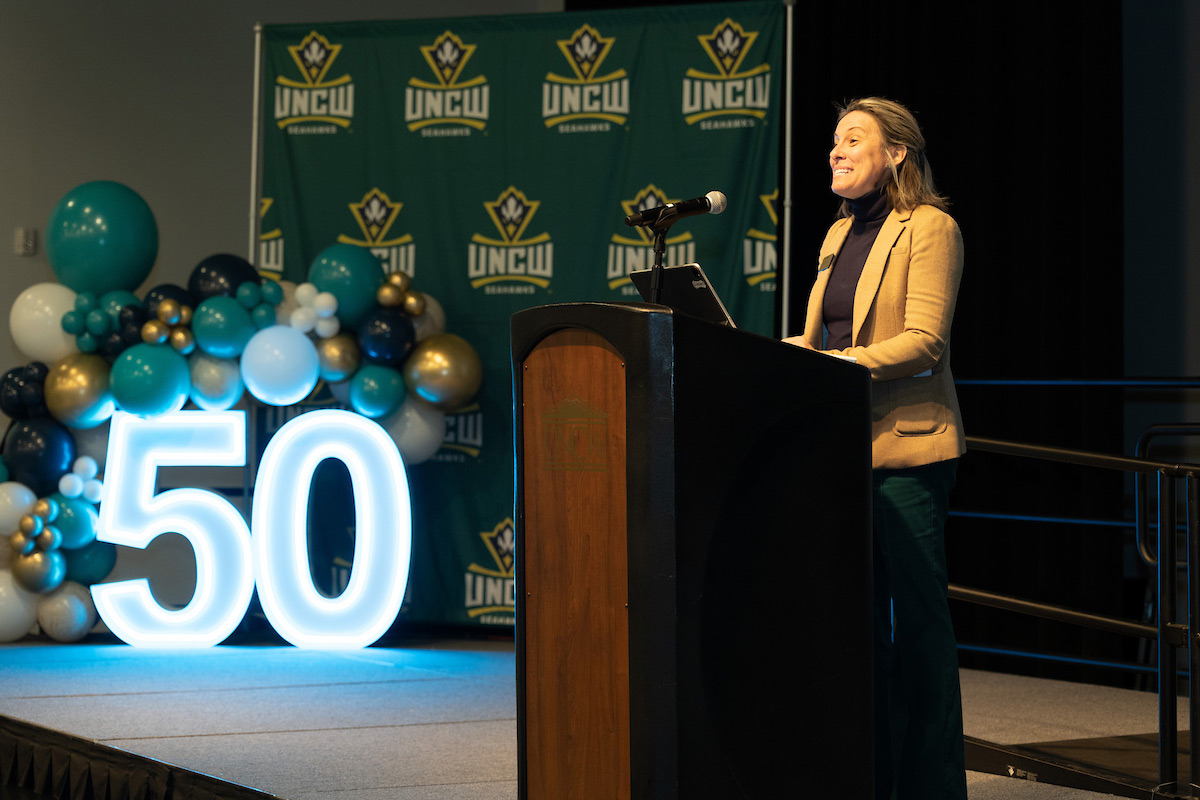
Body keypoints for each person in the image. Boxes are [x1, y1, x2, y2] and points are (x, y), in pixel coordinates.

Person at [784, 97, 967, 800]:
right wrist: (772, 354)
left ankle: (935, 790)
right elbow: (825, 341)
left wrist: (833, 363)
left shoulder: (931, 228)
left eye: (853, 138)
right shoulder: (836, 237)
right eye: (833, 141)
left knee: (920, 634)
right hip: (839, 458)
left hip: (909, 454)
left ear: (897, 153)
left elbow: (925, 344)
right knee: (858, 639)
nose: (835, 151)